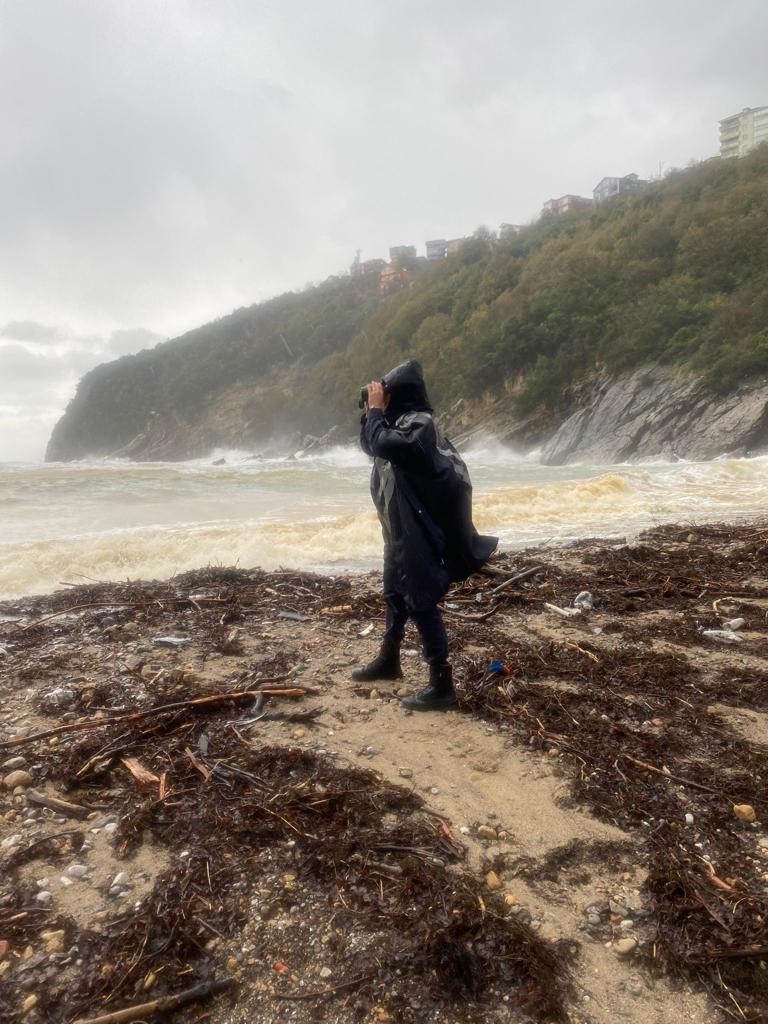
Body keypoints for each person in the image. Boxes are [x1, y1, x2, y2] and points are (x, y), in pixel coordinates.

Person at [353, 360, 497, 711]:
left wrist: (375, 410)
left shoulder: (419, 425)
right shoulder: (397, 424)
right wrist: (371, 412)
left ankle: (442, 684)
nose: (378, 400)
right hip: (398, 530)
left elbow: (386, 444)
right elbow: (372, 444)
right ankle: (390, 659)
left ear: (398, 394)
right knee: (394, 595)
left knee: (420, 600)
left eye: (386, 392)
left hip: (418, 533)